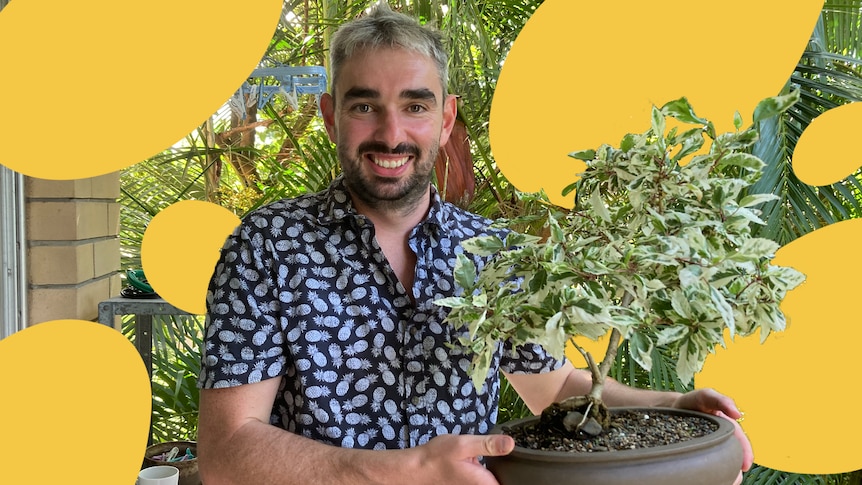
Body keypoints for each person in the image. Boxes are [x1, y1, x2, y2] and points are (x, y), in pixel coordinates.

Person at [196, 3, 754, 484]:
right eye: (364, 105)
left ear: (445, 119)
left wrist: (673, 407)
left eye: (415, 106)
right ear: (330, 116)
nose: (391, 134)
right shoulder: (266, 246)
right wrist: (405, 473)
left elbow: (553, 386)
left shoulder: (489, 250)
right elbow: (226, 453)